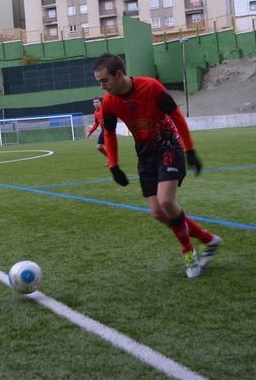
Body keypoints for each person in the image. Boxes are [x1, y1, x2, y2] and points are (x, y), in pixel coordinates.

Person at [93, 54, 222, 278]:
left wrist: (190, 150)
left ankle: (188, 252)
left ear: (119, 74)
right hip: (145, 156)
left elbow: (177, 116)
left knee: (166, 201)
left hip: (169, 147)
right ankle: (208, 239)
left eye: (104, 81)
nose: (102, 87)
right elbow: (110, 133)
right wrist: (114, 165)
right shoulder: (109, 102)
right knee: (158, 213)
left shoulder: (151, 87)